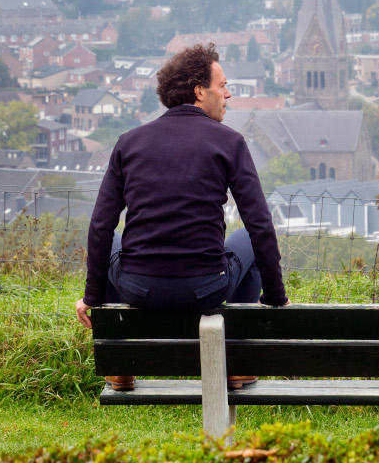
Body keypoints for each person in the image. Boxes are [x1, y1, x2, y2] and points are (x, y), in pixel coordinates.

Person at [75, 43, 288, 390]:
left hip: (137, 287)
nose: (228, 94)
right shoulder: (229, 142)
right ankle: (237, 363)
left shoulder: (129, 143)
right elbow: (260, 225)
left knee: (112, 239)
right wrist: (275, 296)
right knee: (247, 237)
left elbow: (101, 225)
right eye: (222, 85)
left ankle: (120, 362)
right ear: (199, 90)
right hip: (205, 288)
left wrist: (92, 297)